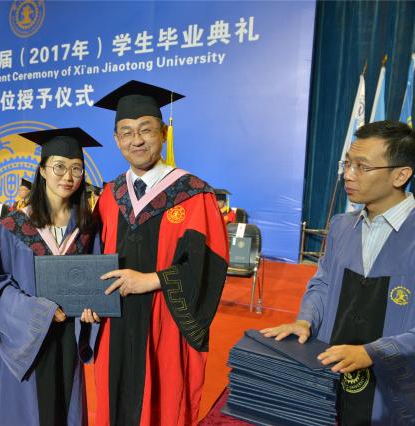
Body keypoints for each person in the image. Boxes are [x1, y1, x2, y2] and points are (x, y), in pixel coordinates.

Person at [92, 80, 229, 425]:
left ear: (164, 133)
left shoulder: (193, 194)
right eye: (126, 133)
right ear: (116, 140)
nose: (136, 140)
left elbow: (209, 266)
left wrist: (152, 280)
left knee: (162, 406)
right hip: (114, 324)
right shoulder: (109, 195)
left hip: (164, 326)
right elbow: (91, 256)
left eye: (145, 129)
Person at [261, 121, 415, 424]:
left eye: (362, 167)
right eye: (347, 163)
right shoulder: (342, 226)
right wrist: (306, 320)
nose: (348, 174)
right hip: (332, 380)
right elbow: (323, 283)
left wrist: (373, 352)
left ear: (401, 175)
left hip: (395, 394)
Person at [0, 127, 102, 425]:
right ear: (43, 170)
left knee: (65, 408)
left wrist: (94, 307)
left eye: (76, 168)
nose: (68, 176)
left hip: (69, 337)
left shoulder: (87, 227)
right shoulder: (13, 226)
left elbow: (96, 278)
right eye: (59, 167)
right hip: (29, 338)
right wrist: (41, 312)